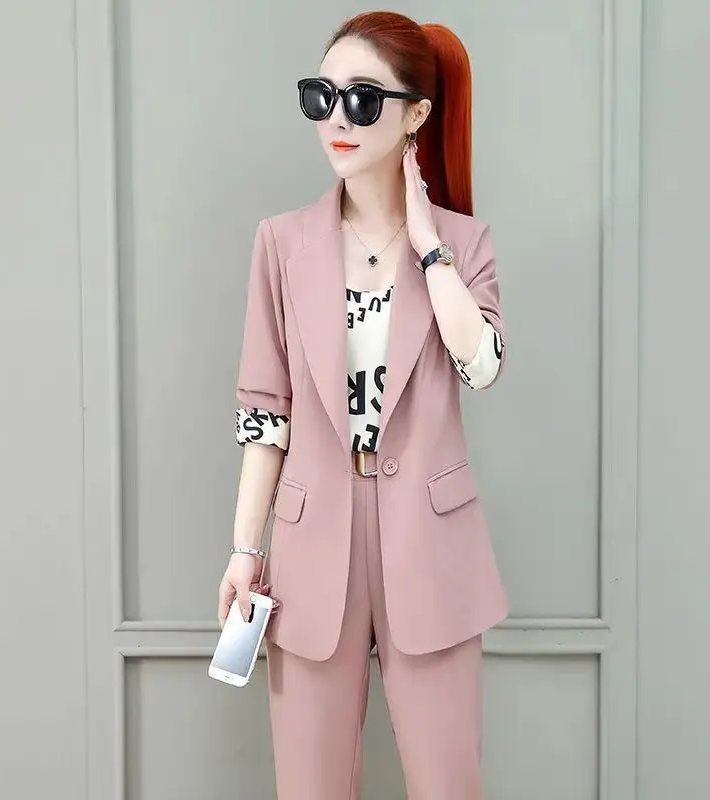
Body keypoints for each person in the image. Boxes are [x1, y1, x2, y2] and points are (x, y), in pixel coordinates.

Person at [217, 10, 509, 799]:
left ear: (416, 114)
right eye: (322, 97)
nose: (338, 120)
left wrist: (430, 246)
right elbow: (265, 416)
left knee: (449, 785)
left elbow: (482, 366)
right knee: (310, 786)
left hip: (431, 541)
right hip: (312, 542)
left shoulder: (464, 243)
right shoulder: (282, 244)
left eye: (364, 99)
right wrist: (245, 550)